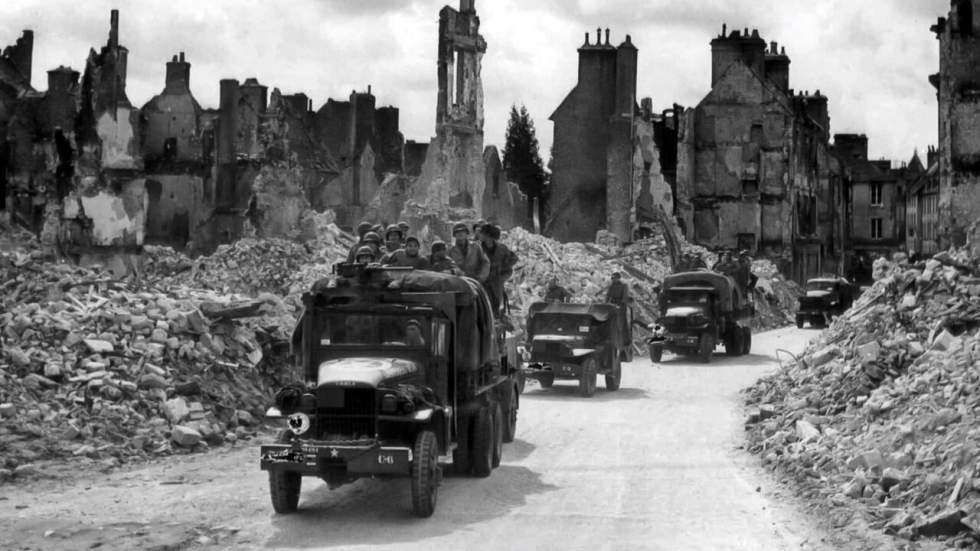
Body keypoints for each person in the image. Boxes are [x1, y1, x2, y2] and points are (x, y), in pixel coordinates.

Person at [478, 224, 518, 315]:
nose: (480, 235)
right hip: (483, 282)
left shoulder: (501, 248)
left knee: (498, 305)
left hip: (497, 282)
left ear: (489, 236)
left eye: (482, 233)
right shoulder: (478, 248)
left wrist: (503, 271)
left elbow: (514, 258)